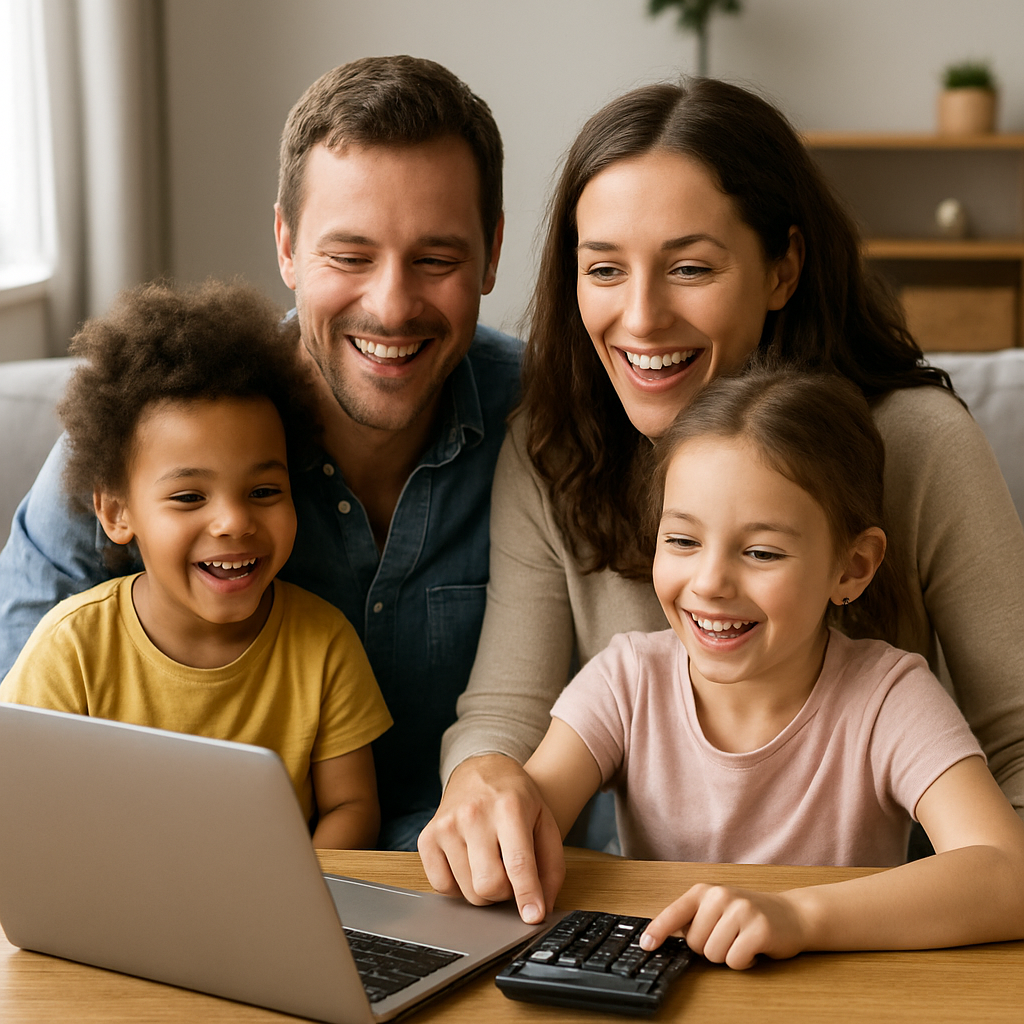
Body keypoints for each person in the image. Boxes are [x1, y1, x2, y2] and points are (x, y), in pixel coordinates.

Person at [419, 78, 1024, 922]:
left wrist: (967, 906)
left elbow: (1019, 746)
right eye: (603, 269)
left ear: (783, 268)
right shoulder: (554, 450)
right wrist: (483, 780)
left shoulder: (918, 446)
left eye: (691, 268)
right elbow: (508, 715)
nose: (640, 317)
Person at [0, 56, 520, 849]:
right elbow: (20, 744)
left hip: (482, 895)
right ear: (285, 245)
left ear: (491, 252)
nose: (390, 304)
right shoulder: (145, 431)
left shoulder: (554, 423)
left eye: (437, 260)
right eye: (349, 256)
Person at [522, 366, 1024, 967]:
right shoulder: (625, 680)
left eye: (761, 552)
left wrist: (798, 915)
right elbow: (524, 826)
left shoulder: (889, 697)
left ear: (853, 568)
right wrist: (491, 801)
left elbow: (1007, 875)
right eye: (682, 541)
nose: (709, 583)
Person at [0, 281, 393, 849]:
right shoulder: (70, 650)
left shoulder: (324, 644)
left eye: (263, 491)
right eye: (189, 497)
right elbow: (25, 812)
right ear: (115, 512)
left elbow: (352, 806)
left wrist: (287, 892)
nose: (233, 522)